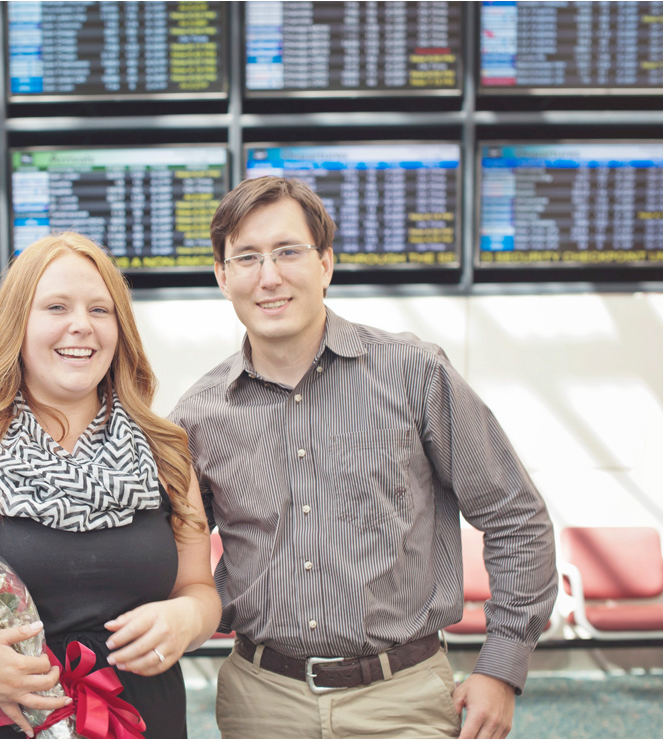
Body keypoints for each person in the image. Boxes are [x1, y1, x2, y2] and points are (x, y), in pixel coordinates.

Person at [170, 176, 559, 740]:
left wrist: (502, 667)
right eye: (247, 257)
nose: (269, 276)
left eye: (288, 252)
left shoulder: (414, 373)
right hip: (261, 704)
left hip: (403, 702)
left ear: (325, 263)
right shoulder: (199, 415)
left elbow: (513, 514)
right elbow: (162, 549)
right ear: (222, 277)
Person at [0, 232, 221, 739]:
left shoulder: (165, 451)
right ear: (16, 324)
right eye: (56, 306)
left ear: (120, 328)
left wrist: (189, 619)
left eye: (100, 310)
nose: (80, 326)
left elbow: (199, 589)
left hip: (138, 718)